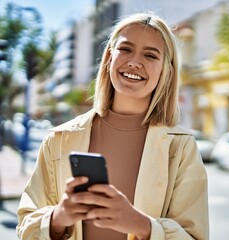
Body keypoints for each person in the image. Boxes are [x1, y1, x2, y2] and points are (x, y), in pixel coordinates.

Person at [16, 12, 209, 240]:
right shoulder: (58, 139)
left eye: (150, 55)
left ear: (166, 71)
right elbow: (25, 228)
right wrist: (59, 217)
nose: (134, 62)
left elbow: (195, 236)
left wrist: (141, 225)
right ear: (109, 57)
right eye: (125, 49)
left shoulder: (181, 148)